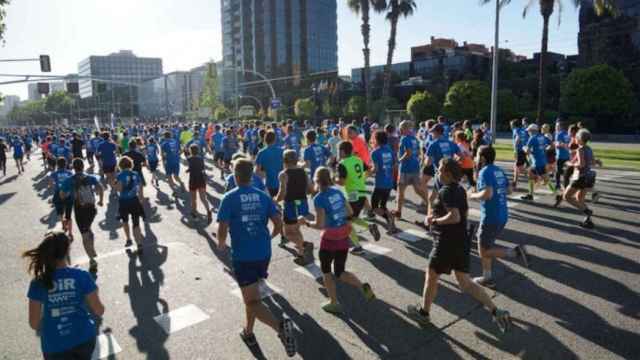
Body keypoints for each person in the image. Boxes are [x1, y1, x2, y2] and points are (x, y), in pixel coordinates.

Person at [406, 159, 511, 333]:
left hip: (446, 243)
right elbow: (463, 214)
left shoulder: (446, 191)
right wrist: (433, 222)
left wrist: (434, 220)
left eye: (439, 170)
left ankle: (424, 313)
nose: (437, 173)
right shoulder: (460, 189)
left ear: (447, 174)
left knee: (431, 275)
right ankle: (496, 310)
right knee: (465, 283)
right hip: (460, 242)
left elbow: (454, 217)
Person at [216, 158, 297, 357]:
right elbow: (278, 224)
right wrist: (270, 236)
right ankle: (248, 331)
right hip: (264, 253)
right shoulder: (262, 196)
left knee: (251, 300)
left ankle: (281, 328)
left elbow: (222, 228)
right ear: (252, 175)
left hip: (244, 256)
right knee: (253, 296)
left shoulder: (229, 197)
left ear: (235, 176)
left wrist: (221, 245)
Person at [299, 167, 376, 314]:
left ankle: (334, 302)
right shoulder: (338, 192)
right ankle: (362, 286)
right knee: (340, 271)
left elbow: (320, 225)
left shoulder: (319, 198)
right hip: (343, 236)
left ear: (316, 181)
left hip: (329, 239)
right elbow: (350, 212)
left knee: (326, 271)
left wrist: (306, 223)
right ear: (329, 178)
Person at [24, 231, 105, 360]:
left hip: (54, 345)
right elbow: (99, 310)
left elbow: (34, 323)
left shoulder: (38, 283)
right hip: (84, 338)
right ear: (67, 250)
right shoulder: (82, 276)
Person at [468, 146, 528, 288]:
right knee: (485, 246)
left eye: (477, 154)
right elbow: (509, 190)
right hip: (502, 214)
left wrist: (472, 195)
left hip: (491, 216)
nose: (475, 157)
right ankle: (487, 278)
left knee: (483, 250)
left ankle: (515, 253)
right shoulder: (498, 170)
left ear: (482, 158)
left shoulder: (485, 172)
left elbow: (487, 194)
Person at [336, 141, 380, 255]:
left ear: (342, 151)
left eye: (338, 151)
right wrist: (361, 180)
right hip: (362, 193)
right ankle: (369, 226)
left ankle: (358, 246)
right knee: (351, 218)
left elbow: (341, 182)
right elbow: (369, 170)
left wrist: (333, 179)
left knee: (346, 221)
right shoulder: (358, 159)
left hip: (352, 194)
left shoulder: (342, 163)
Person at [60, 158, 104, 274]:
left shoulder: (70, 180)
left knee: (84, 235)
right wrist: (101, 200)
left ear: (73, 167)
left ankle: (92, 260)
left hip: (80, 210)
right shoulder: (90, 177)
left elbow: (62, 195)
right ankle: (92, 248)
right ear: (83, 166)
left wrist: (68, 195)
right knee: (88, 229)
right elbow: (100, 187)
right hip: (92, 209)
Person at [276, 150, 314, 264]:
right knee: (296, 229)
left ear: (284, 160)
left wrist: (275, 200)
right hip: (302, 203)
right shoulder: (303, 172)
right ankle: (303, 246)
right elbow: (310, 189)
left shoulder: (283, 174)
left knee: (287, 232)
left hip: (291, 205)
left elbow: (282, 193)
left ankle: (302, 250)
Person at [562, 129, 597, 229]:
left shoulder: (580, 149)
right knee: (579, 199)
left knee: (567, 197)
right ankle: (588, 221)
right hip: (589, 177)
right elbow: (593, 162)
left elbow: (581, 164)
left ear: (580, 139)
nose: (575, 139)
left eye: (576, 137)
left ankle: (587, 212)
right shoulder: (589, 148)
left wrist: (570, 163)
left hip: (580, 177)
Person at [394, 120, 428, 218]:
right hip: (415, 166)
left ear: (404, 129)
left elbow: (408, 153)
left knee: (400, 191)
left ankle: (398, 211)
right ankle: (429, 204)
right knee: (417, 189)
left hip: (405, 168)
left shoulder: (404, 139)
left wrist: (399, 160)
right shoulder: (415, 139)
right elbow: (418, 153)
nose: (399, 130)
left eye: (400, 128)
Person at [368, 130, 398, 233]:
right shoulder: (390, 150)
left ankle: (390, 217)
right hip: (389, 182)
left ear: (376, 140)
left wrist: (367, 172)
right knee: (383, 206)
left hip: (380, 183)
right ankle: (391, 225)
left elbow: (375, 169)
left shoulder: (375, 152)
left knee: (375, 207)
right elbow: (395, 166)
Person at [115, 156, 146, 253]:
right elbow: (140, 187)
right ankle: (139, 244)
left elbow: (119, 189)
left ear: (120, 165)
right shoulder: (136, 174)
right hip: (134, 200)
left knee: (125, 221)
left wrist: (114, 186)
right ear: (130, 164)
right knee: (136, 223)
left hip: (124, 201)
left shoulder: (120, 175)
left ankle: (128, 239)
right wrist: (141, 198)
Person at [521, 124, 553, 201]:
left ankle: (557, 195)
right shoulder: (543, 136)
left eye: (529, 131)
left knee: (546, 180)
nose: (528, 132)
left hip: (537, 162)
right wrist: (544, 149)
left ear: (532, 131)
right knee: (531, 175)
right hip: (542, 160)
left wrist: (523, 148)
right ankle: (530, 195)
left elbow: (527, 151)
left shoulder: (532, 138)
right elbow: (552, 145)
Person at [187, 144, 212, 222]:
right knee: (203, 198)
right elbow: (202, 168)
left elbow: (191, 167)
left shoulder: (189, 158)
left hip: (193, 180)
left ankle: (194, 213)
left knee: (193, 199)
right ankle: (208, 211)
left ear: (190, 151)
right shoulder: (201, 159)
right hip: (201, 179)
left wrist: (188, 170)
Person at [49, 157, 74, 238]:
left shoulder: (54, 173)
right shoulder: (70, 173)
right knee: (69, 215)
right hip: (68, 194)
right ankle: (70, 233)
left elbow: (50, 183)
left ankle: (63, 222)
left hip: (58, 193)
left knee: (60, 212)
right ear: (66, 164)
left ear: (57, 165)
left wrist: (55, 187)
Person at [255, 131, 284, 198]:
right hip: (282, 183)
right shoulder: (282, 151)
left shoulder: (261, 153)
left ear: (264, 140)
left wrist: (265, 174)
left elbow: (257, 172)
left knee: (271, 205)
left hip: (269, 184)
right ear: (274, 139)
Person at [553, 121, 571, 207]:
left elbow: (557, 145)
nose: (555, 127)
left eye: (557, 126)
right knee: (565, 172)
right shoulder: (567, 134)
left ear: (560, 126)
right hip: (567, 156)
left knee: (558, 171)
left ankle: (557, 184)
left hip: (560, 156)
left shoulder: (559, 134)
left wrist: (556, 144)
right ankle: (566, 185)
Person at [510, 119, 529, 191]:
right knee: (516, 167)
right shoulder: (523, 130)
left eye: (511, 125)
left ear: (514, 125)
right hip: (523, 150)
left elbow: (517, 139)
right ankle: (514, 183)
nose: (511, 126)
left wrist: (515, 150)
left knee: (519, 167)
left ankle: (533, 174)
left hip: (519, 151)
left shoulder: (516, 130)